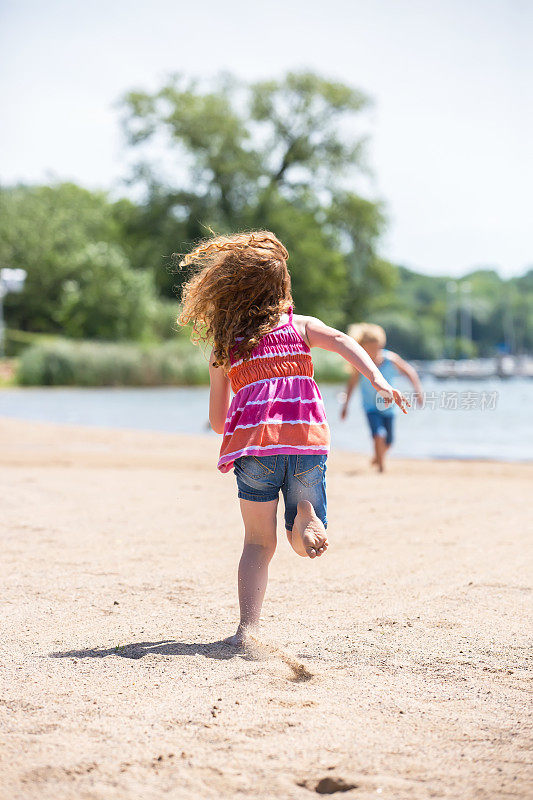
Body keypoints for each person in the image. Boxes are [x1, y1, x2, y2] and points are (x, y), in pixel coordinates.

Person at [178, 232, 408, 644]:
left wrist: (244, 399)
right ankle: (304, 517)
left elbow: (216, 421)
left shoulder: (225, 345)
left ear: (229, 288)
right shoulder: (300, 325)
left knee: (257, 543)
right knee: (300, 543)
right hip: (305, 442)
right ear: (282, 286)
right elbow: (341, 341)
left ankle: (247, 630)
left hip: (255, 450)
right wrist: (376, 379)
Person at [340, 323, 422, 472]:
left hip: (389, 408)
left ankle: (377, 457)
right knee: (378, 434)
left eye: (376, 347)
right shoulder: (361, 363)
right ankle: (381, 467)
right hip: (370, 407)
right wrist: (345, 405)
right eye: (370, 348)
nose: (374, 352)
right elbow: (351, 385)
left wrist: (418, 390)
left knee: (389, 441)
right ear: (362, 347)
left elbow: (409, 372)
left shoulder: (390, 359)